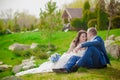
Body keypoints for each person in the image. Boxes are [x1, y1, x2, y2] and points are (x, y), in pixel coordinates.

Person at [15, 30, 87, 76]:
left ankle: (62, 69)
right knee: (65, 57)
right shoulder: (74, 43)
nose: (84, 38)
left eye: (85, 37)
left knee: (69, 58)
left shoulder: (86, 44)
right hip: (71, 54)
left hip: (76, 57)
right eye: (83, 36)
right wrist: (70, 49)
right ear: (79, 37)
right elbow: (69, 51)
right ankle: (59, 68)